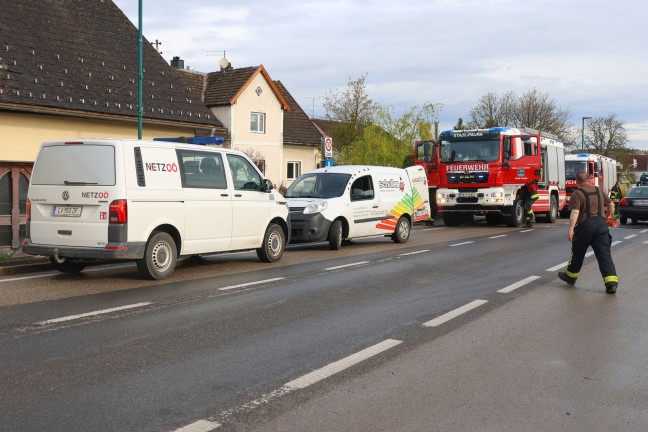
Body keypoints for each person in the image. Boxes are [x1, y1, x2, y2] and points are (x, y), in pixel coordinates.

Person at [558, 171, 618, 294]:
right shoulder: (598, 190)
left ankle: (570, 277)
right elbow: (611, 204)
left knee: (578, 253)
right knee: (604, 255)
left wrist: (570, 229)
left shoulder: (577, 193)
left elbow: (575, 212)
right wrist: (609, 217)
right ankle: (611, 284)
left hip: (585, 226)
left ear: (577, 181)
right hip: (601, 226)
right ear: (589, 180)